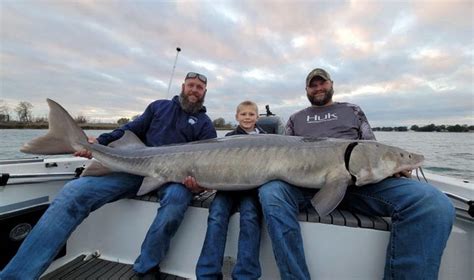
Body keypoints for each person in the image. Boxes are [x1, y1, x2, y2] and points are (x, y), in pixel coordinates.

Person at [0, 72, 217, 279]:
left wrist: (197, 186)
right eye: (191, 85)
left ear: (204, 92)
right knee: (73, 192)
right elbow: (127, 131)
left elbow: (209, 167)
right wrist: (99, 143)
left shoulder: (206, 125)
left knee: (177, 200)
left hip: (174, 179)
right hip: (133, 169)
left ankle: (147, 266)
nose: (194, 90)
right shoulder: (158, 107)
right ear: (183, 87)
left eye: (199, 88)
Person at [258, 68, 455, 279]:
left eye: (322, 83)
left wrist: (393, 167)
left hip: (360, 186)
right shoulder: (296, 118)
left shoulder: (352, 110)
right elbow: (283, 150)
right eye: (312, 85)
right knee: (271, 192)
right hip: (305, 186)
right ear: (306, 89)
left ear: (331, 84)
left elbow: (371, 145)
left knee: (433, 203)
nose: (318, 88)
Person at [196, 100, 265, 280]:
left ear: (258, 117)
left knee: (250, 216)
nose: (247, 118)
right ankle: (207, 274)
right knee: (217, 214)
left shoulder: (267, 138)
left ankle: (246, 275)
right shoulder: (227, 138)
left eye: (251, 114)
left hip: (251, 191)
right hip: (226, 189)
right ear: (237, 117)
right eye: (243, 114)